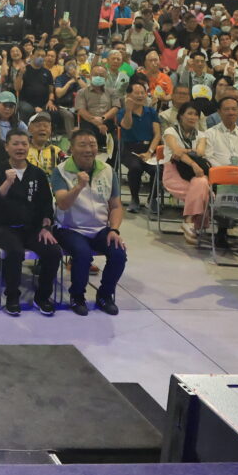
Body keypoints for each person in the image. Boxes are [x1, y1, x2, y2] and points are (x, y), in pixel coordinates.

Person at [51, 129, 128, 316]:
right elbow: (62, 204)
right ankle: (77, 296)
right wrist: (78, 186)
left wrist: (114, 230)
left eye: (92, 145)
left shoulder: (107, 170)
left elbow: (116, 206)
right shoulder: (61, 171)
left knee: (118, 253)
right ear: (71, 148)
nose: (88, 149)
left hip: (100, 228)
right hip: (69, 228)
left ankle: (105, 295)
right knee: (83, 254)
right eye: (82, 145)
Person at [0, 130, 61, 316]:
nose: (20, 148)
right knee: (15, 251)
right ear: (6, 147)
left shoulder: (37, 173)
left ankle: (42, 296)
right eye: (15, 144)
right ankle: (12, 297)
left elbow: (46, 204)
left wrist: (46, 227)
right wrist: (7, 182)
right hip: (4, 228)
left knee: (53, 251)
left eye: (24, 144)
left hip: (32, 228)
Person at [161, 103, 211, 245]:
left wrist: (184, 152)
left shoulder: (201, 135)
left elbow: (200, 152)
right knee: (206, 193)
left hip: (195, 174)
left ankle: (189, 221)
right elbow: (176, 151)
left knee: (201, 182)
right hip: (174, 173)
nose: (193, 117)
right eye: (189, 113)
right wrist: (193, 162)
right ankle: (194, 224)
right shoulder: (171, 131)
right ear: (181, 116)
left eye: (196, 115)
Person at [117, 83, 160, 212]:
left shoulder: (151, 112)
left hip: (149, 148)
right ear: (128, 95)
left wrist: (149, 152)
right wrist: (128, 110)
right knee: (135, 168)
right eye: (137, 93)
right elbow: (127, 126)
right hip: (130, 149)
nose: (140, 95)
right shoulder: (122, 112)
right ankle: (134, 199)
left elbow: (157, 134)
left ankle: (152, 199)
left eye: (143, 93)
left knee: (157, 169)